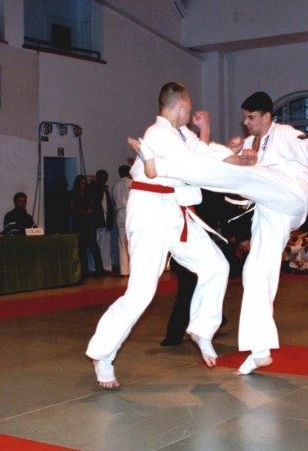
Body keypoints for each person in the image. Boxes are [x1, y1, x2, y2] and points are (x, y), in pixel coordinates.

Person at [132, 90, 308, 375]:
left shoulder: (283, 133)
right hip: (271, 210)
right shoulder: (252, 144)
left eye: (251, 117)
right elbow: (235, 169)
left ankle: (160, 165)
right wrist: (236, 154)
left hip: (292, 191)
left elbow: (306, 144)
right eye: (244, 117)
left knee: (241, 176)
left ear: (267, 116)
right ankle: (260, 350)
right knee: (256, 272)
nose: (246, 122)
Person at [86, 82, 231, 388]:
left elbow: (203, 154)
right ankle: (103, 355)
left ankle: (202, 329)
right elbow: (196, 166)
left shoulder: (181, 133)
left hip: (174, 211)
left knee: (217, 265)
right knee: (141, 292)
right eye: (189, 107)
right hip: (150, 212)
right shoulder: (157, 134)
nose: (190, 113)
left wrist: (219, 143)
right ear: (182, 105)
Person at [70, 175, 104, 279]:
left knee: (93, 246)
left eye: (84, 183)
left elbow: (92, 207)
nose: (83, 185)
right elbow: (71, 208)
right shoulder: (73, 194)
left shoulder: (89, 194)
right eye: (81, 183)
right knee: (81, 248)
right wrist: (78, 211)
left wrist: (85, 211)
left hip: (89, 223)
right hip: (78, 223)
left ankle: (100, 270)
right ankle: (83, 271)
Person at [89, 170, 115, 275]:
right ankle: (93, 267)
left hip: (105, 219)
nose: (104, 180)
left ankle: (106, 266)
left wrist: (110, 220)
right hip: (95, 219)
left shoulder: (105, 190)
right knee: (94, 245)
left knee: (105, 245)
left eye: (105, 178)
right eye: (102, 178)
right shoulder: (93, 188)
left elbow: (109, 206)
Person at [111, 165, 132, 276]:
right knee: (133, 242)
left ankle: (124, 271)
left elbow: (114, 201)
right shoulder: (132, 183)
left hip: (120, 213)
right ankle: (134, 269)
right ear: (129, 172)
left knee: (122, 243)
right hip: (130, 213)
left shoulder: (115, 185)